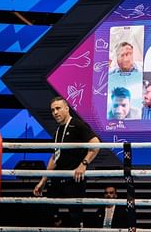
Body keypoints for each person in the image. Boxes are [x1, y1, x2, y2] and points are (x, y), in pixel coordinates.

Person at [33, 96, 101, 227]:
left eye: (58, 108)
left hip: (74, 179)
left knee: (75, 217)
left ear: (66, 108)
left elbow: (96, 144)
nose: (55, 113)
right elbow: (55, 157)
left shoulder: (78, 124)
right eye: (53, 110)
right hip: (58, 179)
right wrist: (43, 180)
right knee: (48, 213)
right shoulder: (58, 131)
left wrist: (83, 165)